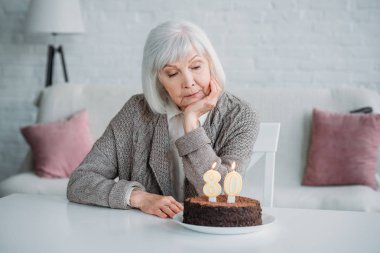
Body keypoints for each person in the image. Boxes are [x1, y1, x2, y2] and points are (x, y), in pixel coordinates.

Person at [67, 20, 259, 219]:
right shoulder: (136, 111)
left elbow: (221, 196)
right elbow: (80, 182)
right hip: (145, 236)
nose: (189, 82)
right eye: (173, 73)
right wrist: (138, 197)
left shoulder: (240, 115)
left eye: (195, 66)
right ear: (157, 79)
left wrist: (191, 124)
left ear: (210, 63)